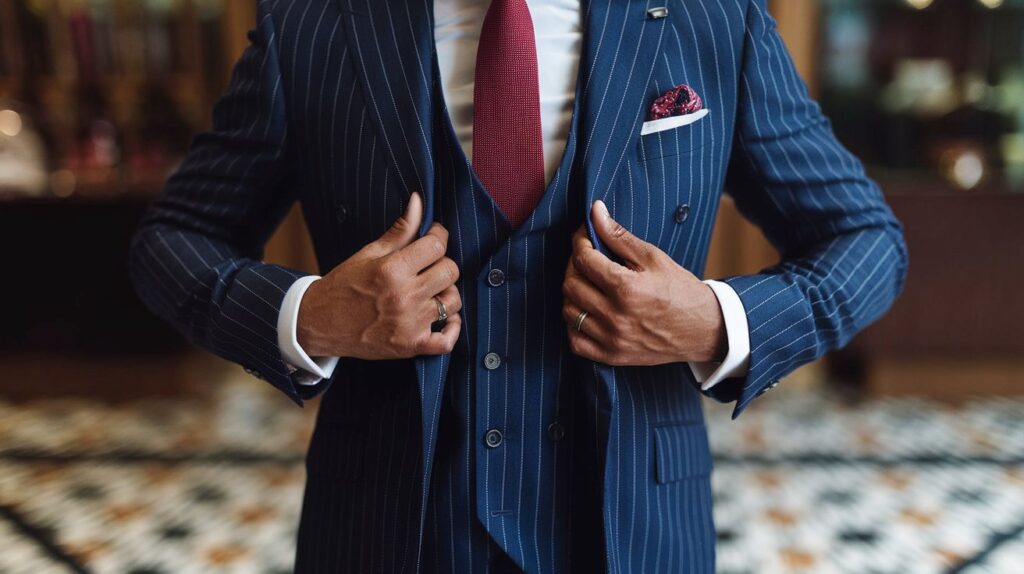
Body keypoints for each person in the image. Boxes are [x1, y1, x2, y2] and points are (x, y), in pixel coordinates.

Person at [128, 0, 908, 571]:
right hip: (387, 528)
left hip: (638, 528)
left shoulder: (713, 18)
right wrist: (309, 318)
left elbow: (866, 240)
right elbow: (172, 241)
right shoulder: (314, 23)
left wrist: (716, 321)